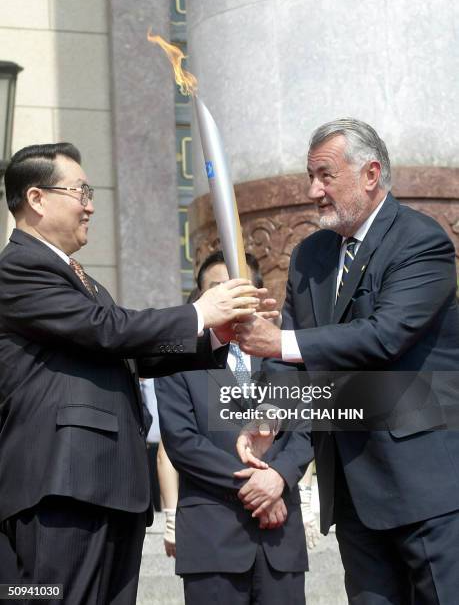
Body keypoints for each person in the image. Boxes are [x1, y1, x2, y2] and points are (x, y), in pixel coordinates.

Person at [0, 142, 264, 605]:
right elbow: (107, 330)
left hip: (108, 487)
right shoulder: (19, 269)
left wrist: (218, 335)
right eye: (80, 190)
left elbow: (129, 350)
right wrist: (199, 312)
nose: (90, 205)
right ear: (37, 198)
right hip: (62, 486)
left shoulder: (82, 279)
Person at [235, 119, 459, 604]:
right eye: (309, 176)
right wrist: (269, 414)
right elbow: (293, 357)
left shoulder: (421, 242)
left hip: (424, 487)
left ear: (371, 173)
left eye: (325, 175)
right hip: (353, 490)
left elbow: (384, 337)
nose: (313, 190)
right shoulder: (310, 255)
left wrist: (277, 343)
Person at [155, 250, 313, 605]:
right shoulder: (176, 358)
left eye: (237, 286)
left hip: (279, 539)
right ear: (200, 298)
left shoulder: (285, 354)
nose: (228, 295)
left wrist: (279, 477)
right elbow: (182, 442)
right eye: (216, 288)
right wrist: (257, 487)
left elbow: (306, 426)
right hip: (212, 540)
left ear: (257, 294)